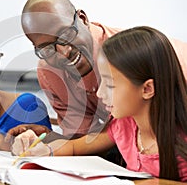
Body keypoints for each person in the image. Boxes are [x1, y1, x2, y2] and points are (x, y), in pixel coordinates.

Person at [11, 26, 187, 182]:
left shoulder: (182, 142)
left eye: (110, 85)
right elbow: (74, 147)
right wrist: (45, 151)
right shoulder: (124, 126)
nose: (99, 93)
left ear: (147, 89)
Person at [6, 0, 187, 141]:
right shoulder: (49, 73)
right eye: (46, 48)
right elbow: (84, 139)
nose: (64, 52)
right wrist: (48, 138)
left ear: (83, 19)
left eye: (66, 34)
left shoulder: (140, 54)